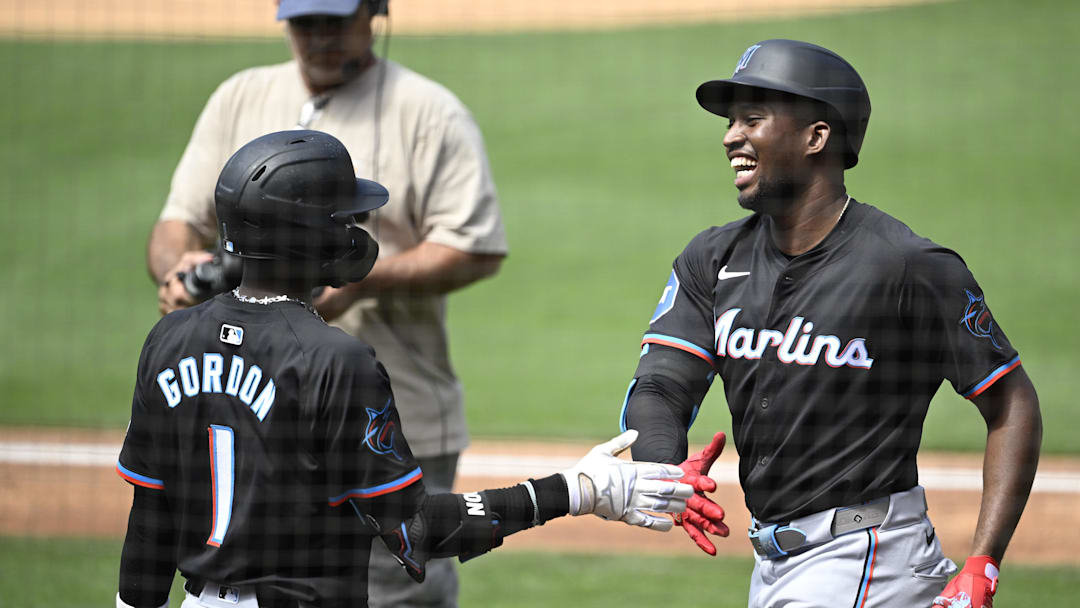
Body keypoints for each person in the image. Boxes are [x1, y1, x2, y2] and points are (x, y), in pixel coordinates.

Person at [116, 130, 700, 608]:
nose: (356, 233)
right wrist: (575, 491)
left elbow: (150, 516)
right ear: (309, 235)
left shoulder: (170, 338)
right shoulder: (333, 360)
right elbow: (416, 529)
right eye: (344, 220)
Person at [619, 39, 1042, 607]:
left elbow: (1010, 401)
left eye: (752, 119)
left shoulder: (907, 267)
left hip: (869, 558)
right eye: (729, 121)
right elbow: (661, 385)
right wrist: (663, 467)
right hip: (773, 566)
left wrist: (983, 562)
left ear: (816, 137)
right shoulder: (713, 258)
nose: (729, 137)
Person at [146, 1, 506, 603]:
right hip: (248, 409)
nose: (319, 38)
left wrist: (366, 281)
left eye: (334, 21)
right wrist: (179, 266)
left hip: (396, 409)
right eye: (304, 23)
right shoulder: (239, 95)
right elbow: (177, 223)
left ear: (375, 13)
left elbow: (475, 246)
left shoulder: (428, 112)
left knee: (398, 584)